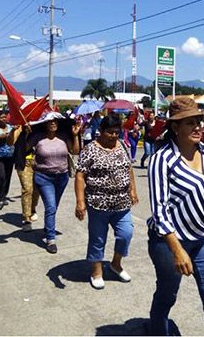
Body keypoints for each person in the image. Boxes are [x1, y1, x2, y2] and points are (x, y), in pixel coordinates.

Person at [147, 97, 204, 336]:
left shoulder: (203, 151)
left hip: (203, 237)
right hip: (170, 242)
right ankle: (157, 330)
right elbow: (160, 211)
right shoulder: (161, 161)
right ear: (175, 127)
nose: (198, 127)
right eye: (190, 123)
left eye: (199, 121)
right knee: (167, 295)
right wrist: (177, 250)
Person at [75, 113, 137, 288]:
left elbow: (128, 168)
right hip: (98, 203)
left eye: (117, 132)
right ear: (101, 131)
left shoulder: (122, 145)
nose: (114, 136)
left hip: (122, 202)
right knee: (98, 238)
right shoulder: (90, 149)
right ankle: (96, 270)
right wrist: (80, 202)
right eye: (110, 132)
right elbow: (80, 176)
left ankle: (116, 264)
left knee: (126, 234)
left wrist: (133, 189)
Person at [12, 112, 81, 253]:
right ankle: (51, 239)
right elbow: (24, 148)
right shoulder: (38, 137)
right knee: (50, 207)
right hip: (44, 178)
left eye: (55, 121)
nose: (53, 123)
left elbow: (75, 151)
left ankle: (48, 226)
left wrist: (74, 135)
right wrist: (25, 133)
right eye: (50, 121)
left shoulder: (64, 137)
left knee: (54, 207)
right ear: (45, 124)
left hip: (61, 177)